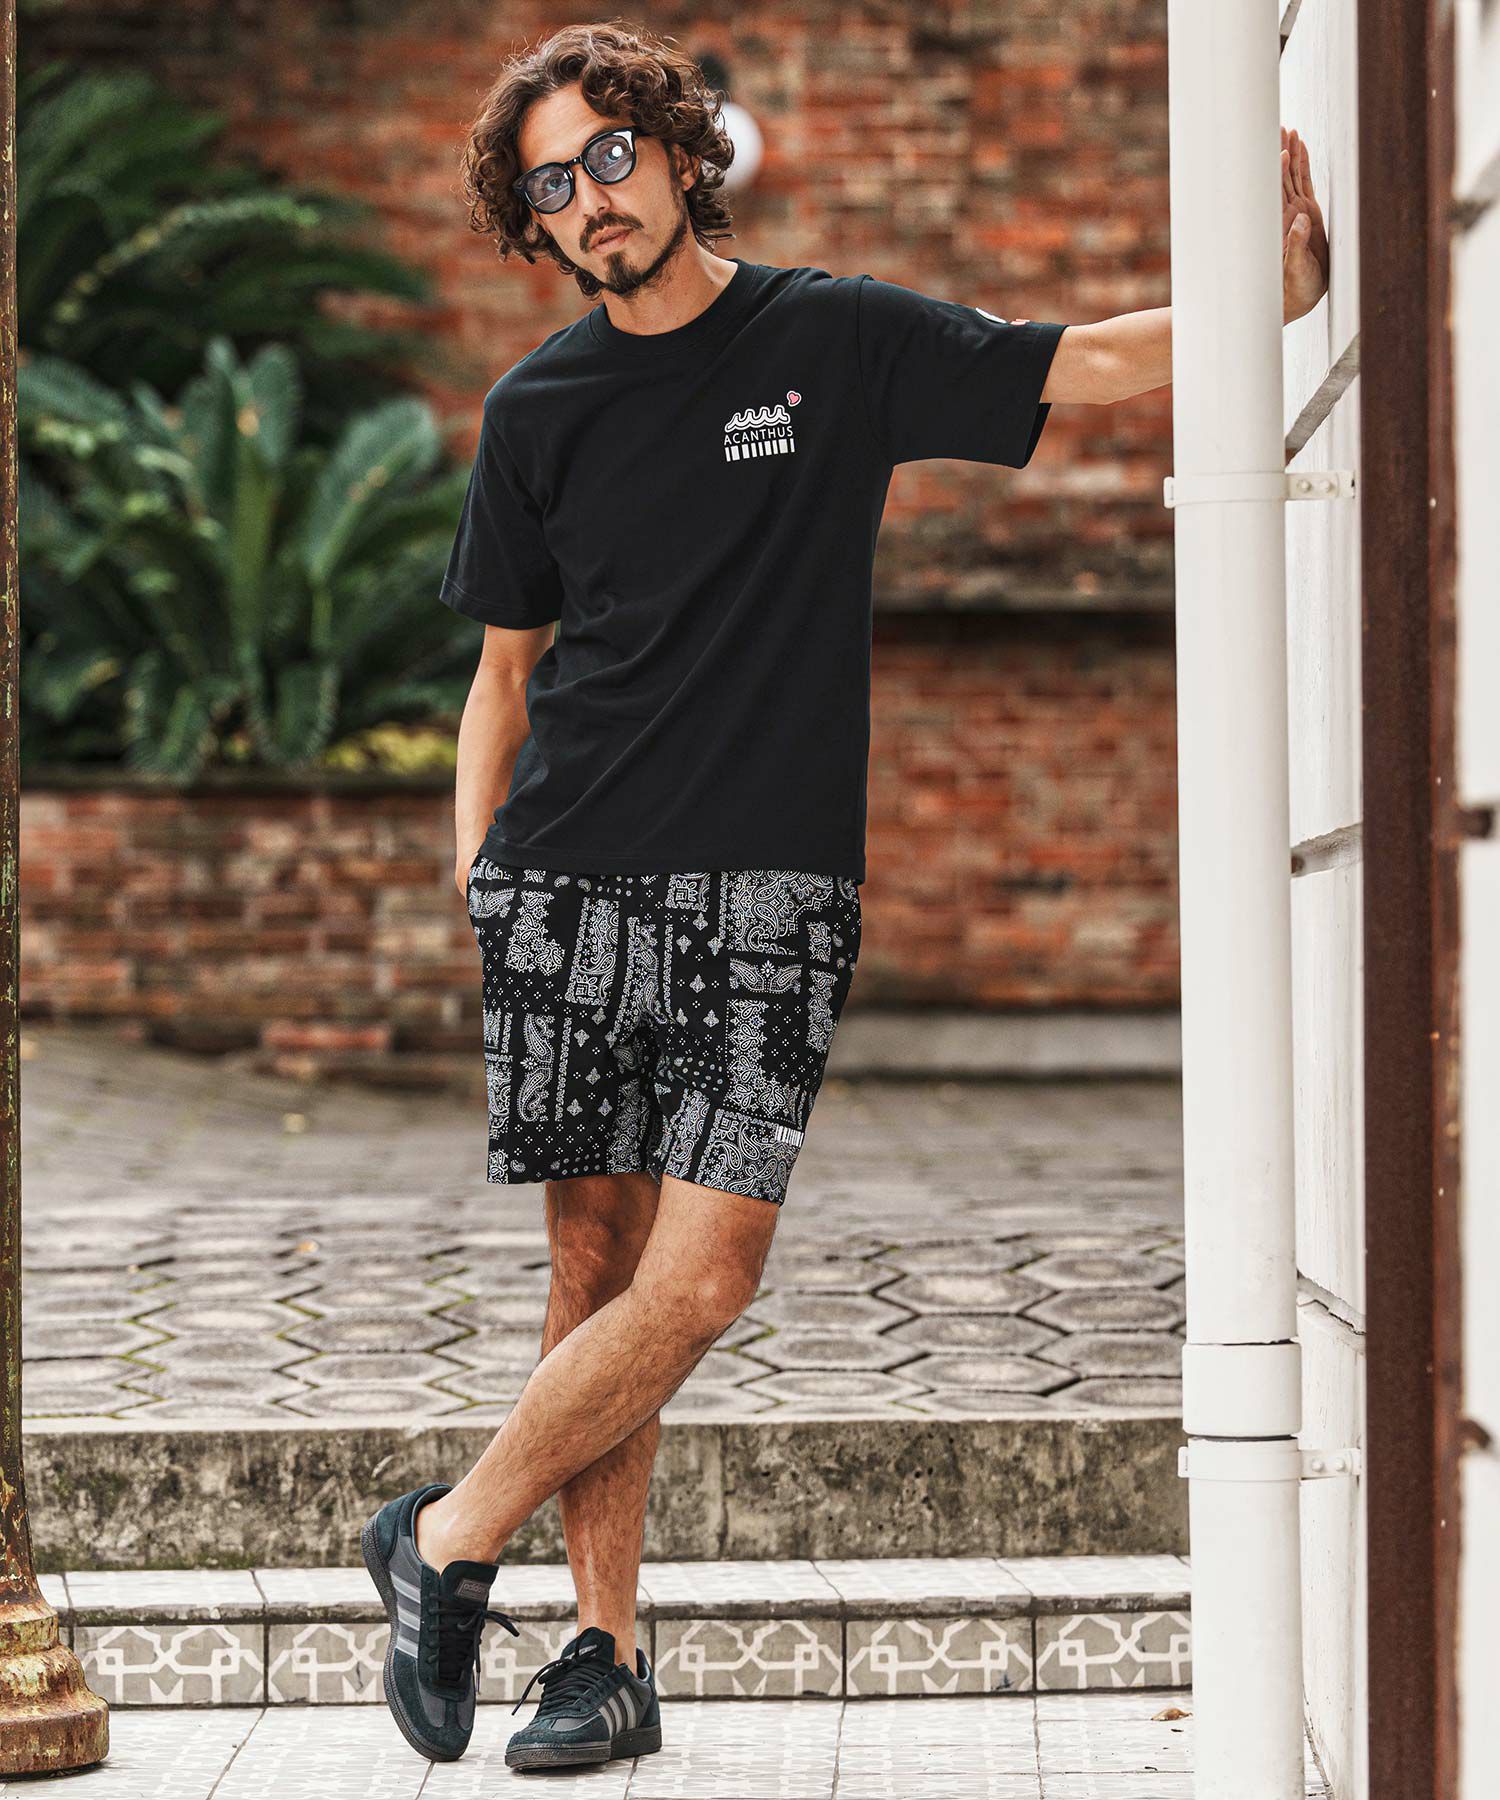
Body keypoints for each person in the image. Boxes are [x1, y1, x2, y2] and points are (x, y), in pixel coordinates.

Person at [361, 18, 1330, 1774]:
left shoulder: (835, 340)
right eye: (551, 186)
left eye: (610, 157)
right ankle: (604, 1657)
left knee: (701, 1277)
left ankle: (445, 1534)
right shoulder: (535, 411)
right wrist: (480, 884)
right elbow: (504, 677)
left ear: (678, 153)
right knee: (594, 1272)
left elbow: (1082, 364)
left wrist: (1270, 303)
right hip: (567, 884)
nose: (590, 200)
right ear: (534, 224)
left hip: (769, 898)